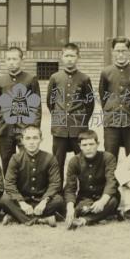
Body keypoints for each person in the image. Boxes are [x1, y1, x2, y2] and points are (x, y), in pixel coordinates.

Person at [46, 43, 95, 182]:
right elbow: (50, 101)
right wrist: (59, 117)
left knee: (82, 161)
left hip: (78, 127)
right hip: (59, 128)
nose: (69, 59)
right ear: (62, 57)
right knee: (57, 162)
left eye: (72, 56)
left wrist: (81, 122)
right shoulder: (55, 78)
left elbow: (89, 104)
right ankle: (58, 193)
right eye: (66, 55)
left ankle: (83, 191)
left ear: (78, 57)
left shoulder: (84, 79)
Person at [0, 126, 64, 227]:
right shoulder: (16, 158)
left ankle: (15, 217)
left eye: (35, 138)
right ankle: (41, 220)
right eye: (28, 138)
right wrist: (21, 202)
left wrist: (44, 201)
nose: (31, 142)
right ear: (22, 141)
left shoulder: (50, 158)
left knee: (59, 200)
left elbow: (55, 183)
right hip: (22, 200)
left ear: (41, 140)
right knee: (5, 199)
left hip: (42, 200)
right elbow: (9, 183)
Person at [0, 46, 42, 174]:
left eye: (14, 59)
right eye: (8, 59)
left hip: (24, 127)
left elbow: (36, 106)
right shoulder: (1, 80)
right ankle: (9, 189)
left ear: (21, 61)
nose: (11, 62)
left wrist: (34, 127)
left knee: (27, 159)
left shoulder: (30, 79)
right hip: (5, 128)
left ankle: (27, 188)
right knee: (6, 160)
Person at [98, 37, 130, 159]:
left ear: (129, 51)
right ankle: (111, 179)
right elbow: (103, 96)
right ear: (113, 52)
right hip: (111, 121)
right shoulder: (106, 72)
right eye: (117, 51)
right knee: (110, 157)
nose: (120, 54)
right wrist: (110, 111)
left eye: (124, 51)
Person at [64, 130, 119, 229]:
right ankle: (100, 216)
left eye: (91, 144)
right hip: (86, 198)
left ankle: (85, 220)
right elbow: (70, 188)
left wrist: (102, 201)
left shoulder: (108, 158)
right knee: (80, 208)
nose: (88, 148)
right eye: (84, 145)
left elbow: (111, 182)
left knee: (112, 201)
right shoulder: (74, 161)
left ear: (98, 144)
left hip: (104, 196)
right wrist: (70, 208)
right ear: (80, 146)